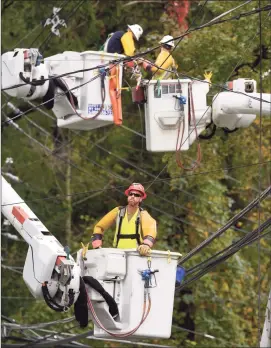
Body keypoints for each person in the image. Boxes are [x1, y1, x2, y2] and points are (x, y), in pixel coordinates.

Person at [91, 183, 157, 256]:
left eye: (136, 195)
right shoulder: (117, 211)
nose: (132, 196)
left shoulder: (143, 214)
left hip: (136, 254)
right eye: (131, 194)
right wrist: (96, 243)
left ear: (140, 199)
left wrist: (146, 244)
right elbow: (99, 227)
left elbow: (151, 228)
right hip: (118, 254)